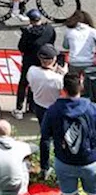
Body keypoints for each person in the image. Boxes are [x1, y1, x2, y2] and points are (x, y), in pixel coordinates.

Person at [41, 71, 96, 195]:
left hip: (64, 161)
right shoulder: (92, 108)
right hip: (89, 161)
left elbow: (45, 138)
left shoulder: (53, 110)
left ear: (63, 90)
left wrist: (45, 165)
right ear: (81, 88)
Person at [29, 44, 66, 175]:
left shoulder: (32, 70)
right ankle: (59, 164)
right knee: (58, 137)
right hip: (54, 108)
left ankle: (45, 167)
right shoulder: (57, 78)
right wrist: (63, 73)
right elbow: (64, 88)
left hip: (39, 106)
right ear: (53, 60)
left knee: (45, 137)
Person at [17, 9, 57, 118]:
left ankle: (19, 108)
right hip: (43, 61)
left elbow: (21, 47)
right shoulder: (49, 29)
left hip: (29, 62)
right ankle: (32, 106)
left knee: (23, 84)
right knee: (36, 84)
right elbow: (52, 41)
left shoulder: (28, 33)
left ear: (30, 20)